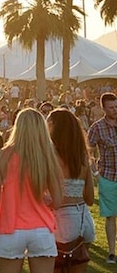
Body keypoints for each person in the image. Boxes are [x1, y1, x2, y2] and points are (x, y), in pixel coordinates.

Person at [0, 107, 63, 273]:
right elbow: (58, 201)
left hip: (10, 228)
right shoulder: (47, 155)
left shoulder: (3, 156)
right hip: (41, 228)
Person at [47, 108, 95, 273]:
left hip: (62, 221)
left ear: (53, 126)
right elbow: (89, 197)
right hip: (84, 219)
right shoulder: (82, 156)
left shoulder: (50, 156)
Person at [87, 91, 117, 263]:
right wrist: (96, 174)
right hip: (108, 176)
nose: (115, 110)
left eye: (116, 106)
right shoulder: (97, 127)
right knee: (111, 215)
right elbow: (88, 151)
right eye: (111, 107)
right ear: (103, 108)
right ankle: (111, 252)